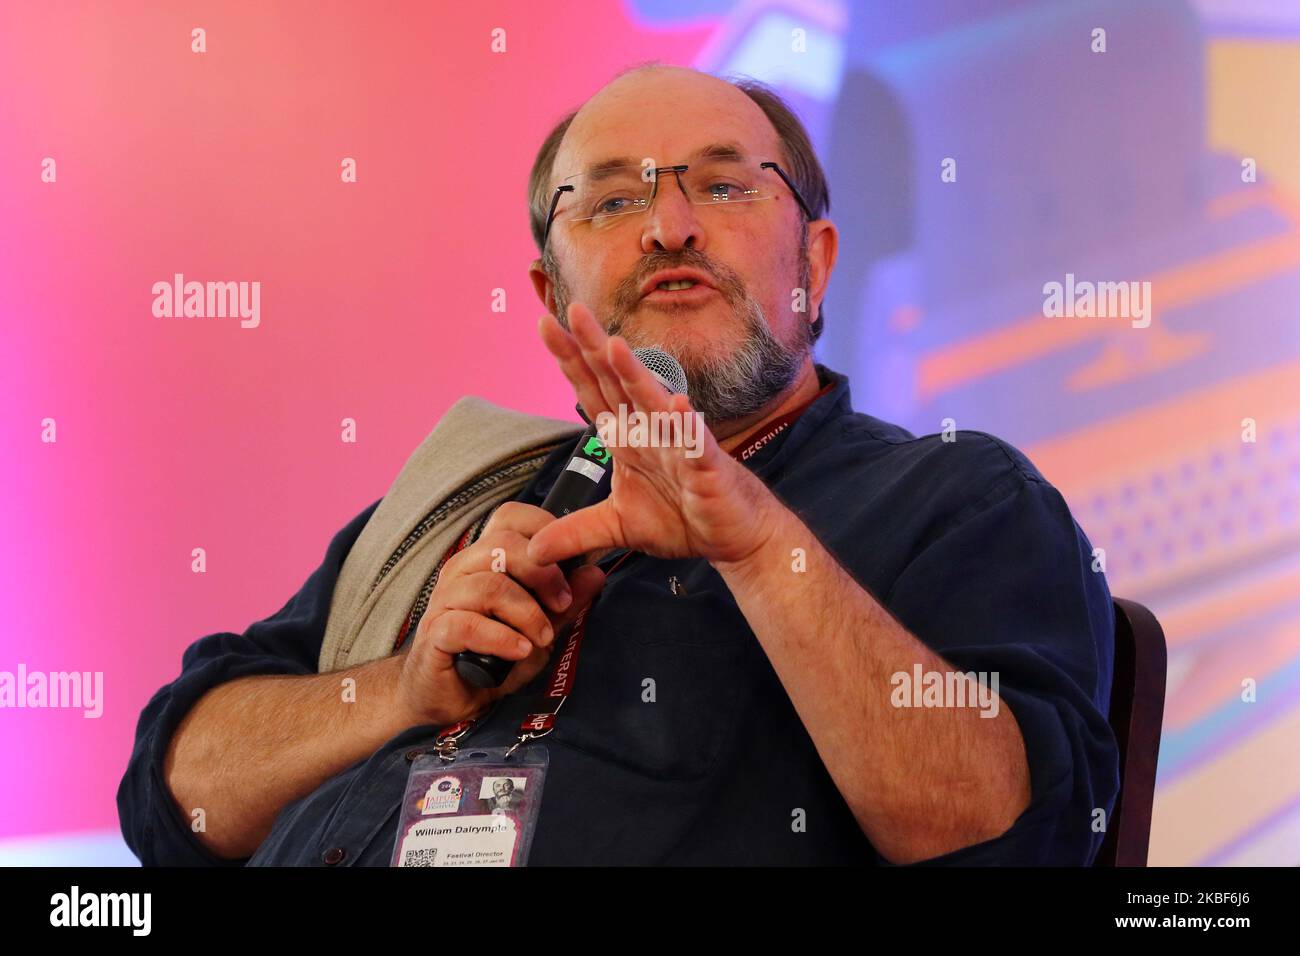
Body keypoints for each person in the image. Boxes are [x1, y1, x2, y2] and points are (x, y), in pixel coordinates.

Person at [118, 64, 1119, 867]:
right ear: (553, 295)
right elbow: (176, 803)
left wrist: (760, 548)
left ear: (812, 266)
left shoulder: (955, 497)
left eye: (722, 185)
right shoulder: (462, 500)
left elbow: (1009, 833)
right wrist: (403, 691)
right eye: (606, 201)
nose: (667, 225)